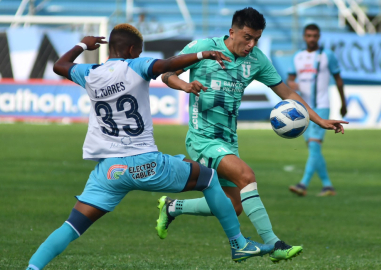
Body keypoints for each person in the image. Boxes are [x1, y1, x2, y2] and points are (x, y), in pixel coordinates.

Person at [25, 24, 273, 270]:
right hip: (146, 164)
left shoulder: (90, 73)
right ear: (133, 50)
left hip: (109, 171)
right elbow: (167, 65)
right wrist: (202, 54)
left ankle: (33, 268)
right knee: (208, 178)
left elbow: (60, 66)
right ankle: (238, 243)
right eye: (140, 51)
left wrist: (82, 45)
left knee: (72, 226)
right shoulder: (137, 66)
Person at [157, 8, 348, 263]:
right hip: (202, 138)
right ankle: (274, 243)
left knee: (233, 206)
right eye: (247, 37)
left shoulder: (256, 59)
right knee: (247, 176)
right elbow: (167, 73)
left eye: (256, 39)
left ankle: (172, 207)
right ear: (232, 32)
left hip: (228, 141)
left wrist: (319, 120)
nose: (251, 44)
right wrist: (185, 85)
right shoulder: (203, 48)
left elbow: (287, 93)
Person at [287, 24, 347, 197]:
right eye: (308, 35)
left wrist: (344, 103)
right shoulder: (297, 57)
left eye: (314, 36)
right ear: (304, 37)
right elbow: (290, 80)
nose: (311, 39)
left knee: (314, 146)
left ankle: (303, 184)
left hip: (321, 106)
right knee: (314, 149)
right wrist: (293, 85)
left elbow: (338, 80)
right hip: (303, 108)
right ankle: (328, 186)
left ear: (319, 37)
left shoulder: (327, 55)